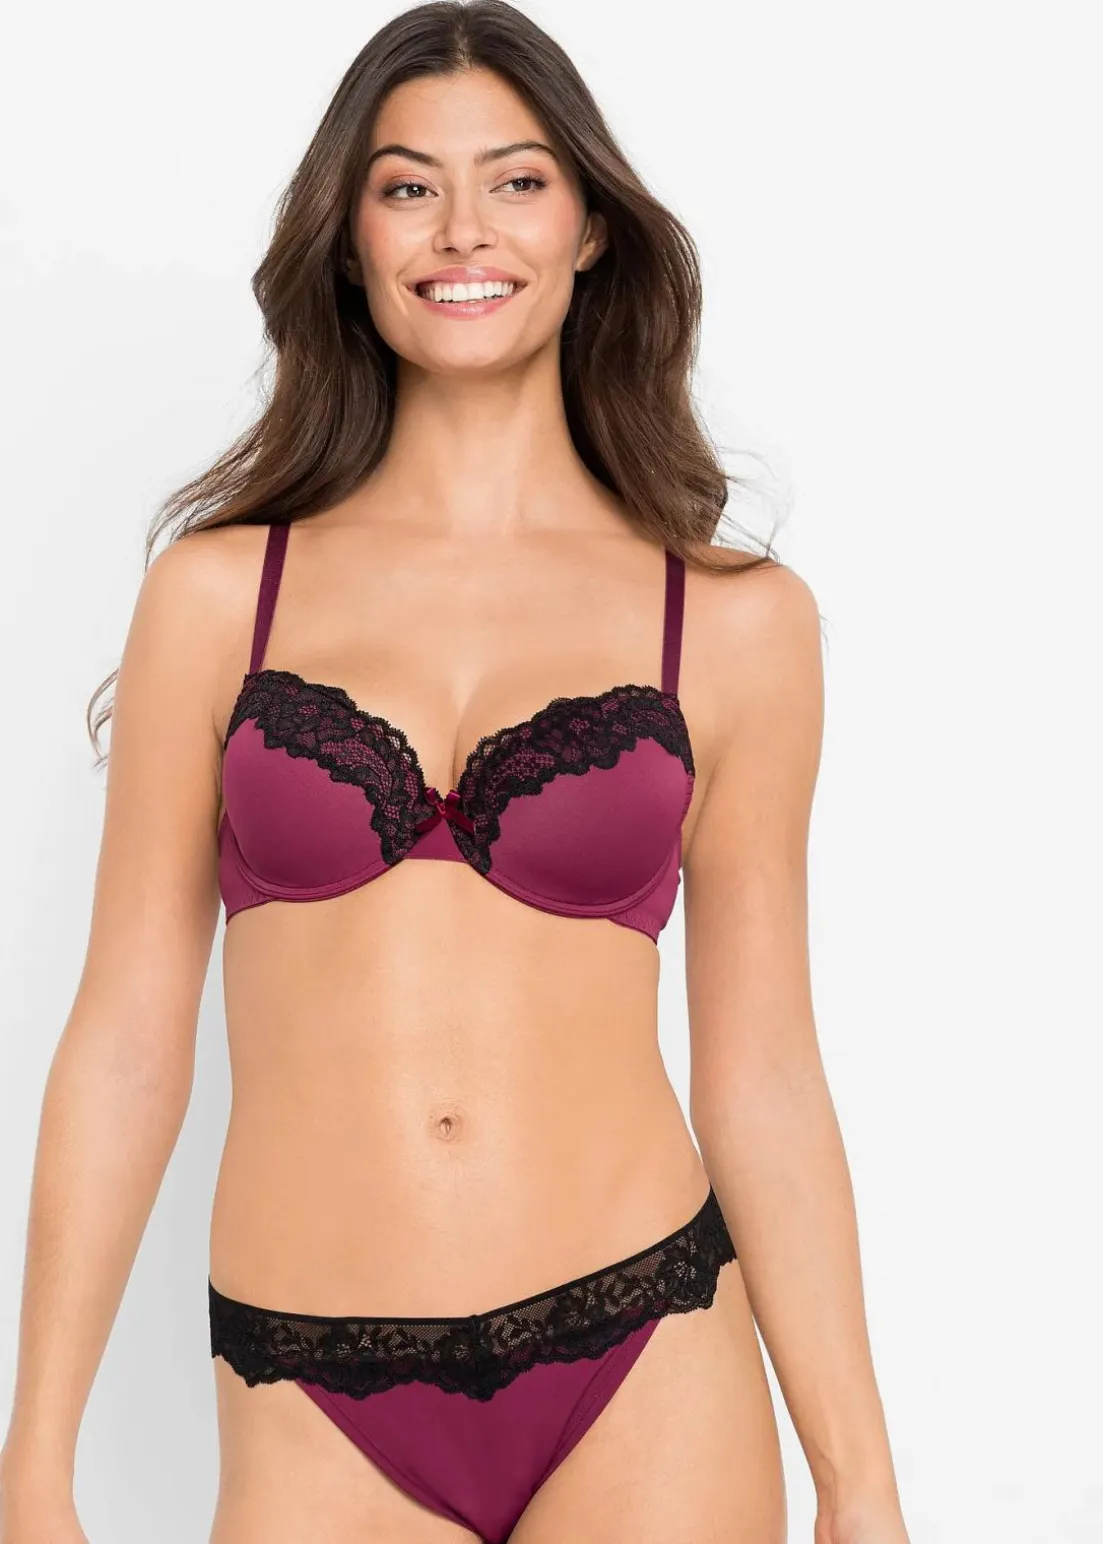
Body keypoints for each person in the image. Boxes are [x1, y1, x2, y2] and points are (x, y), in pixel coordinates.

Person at [0, 4, 911, 1542]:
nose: (463, 229)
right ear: (349, 240)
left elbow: (760, 1069)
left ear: (590, 229)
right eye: (408, 186)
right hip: (309, 1384)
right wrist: (34, 1465)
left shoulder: (733, 619)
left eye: (518, 181)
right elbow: (126, 1040)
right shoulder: (220, 598)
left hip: (647, 1350)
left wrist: (858, 1484)